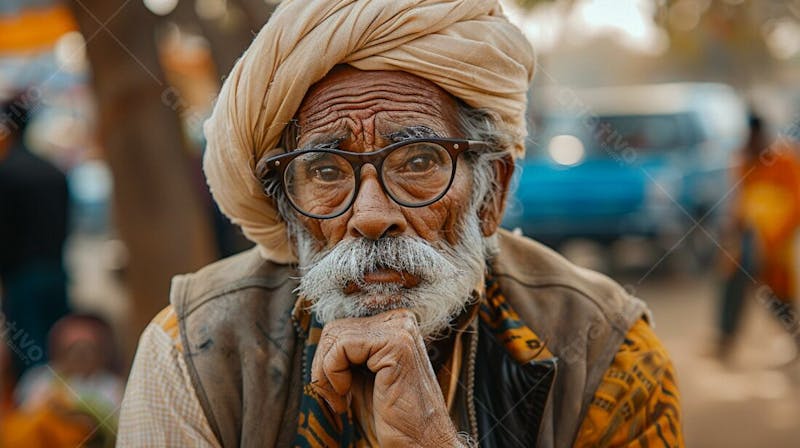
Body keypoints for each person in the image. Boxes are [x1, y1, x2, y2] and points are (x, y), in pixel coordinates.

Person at [118, 1, 683, 446]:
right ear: (289, 210)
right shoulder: (194, 351)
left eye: (418, 162)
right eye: (326, 169)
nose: (370, 216)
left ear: (494, 192)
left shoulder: (605, 349)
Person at [717, 113, 800, 360]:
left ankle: (794, 335)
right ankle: (726, 338)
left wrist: (776, 238)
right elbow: (739, 203)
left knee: (777, 293)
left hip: (777, 242)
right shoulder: (745, 162)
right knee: (733, 280)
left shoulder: (785, 161)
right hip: (750, 240)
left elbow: (796, 204)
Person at [0, 92, 71, 378]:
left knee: (32, 361)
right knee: (60, 350)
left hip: (22, 277)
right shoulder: (53, 171)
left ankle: (42, 418)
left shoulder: (7, 173)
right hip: (56, 270)